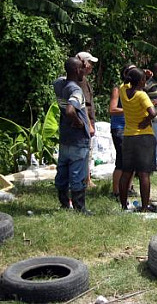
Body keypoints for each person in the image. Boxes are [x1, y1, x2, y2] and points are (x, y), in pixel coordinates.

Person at [53, 57, 92, 214]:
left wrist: (77, 63)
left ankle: (64, 202)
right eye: (82, 69)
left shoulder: (59, 84)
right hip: (77, 138)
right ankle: (79, 207)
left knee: (62, 170)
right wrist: (79, 122)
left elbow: (64, 76)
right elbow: (70, 110)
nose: (85, 71)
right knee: (77, 172)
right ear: (77, 71)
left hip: (65, 137)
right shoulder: (76, 90)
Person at [119, 67, 157, 212]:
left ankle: (123, 205)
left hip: (128, 136)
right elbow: (152, 113)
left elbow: (125, 80)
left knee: (126, 172)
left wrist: (137, 74)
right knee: (144, 173)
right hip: (144, 136)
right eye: (144, 79)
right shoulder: (142, 95)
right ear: (141, 81)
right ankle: (144, 207)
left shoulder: (123, 90)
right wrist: (147, 120)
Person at [109, 63, 136, 199]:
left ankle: (128, 188)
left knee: (132, 161)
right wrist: (130, 109)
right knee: (121, 161)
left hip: (131, 129)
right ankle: (116, 191)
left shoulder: (136, 90)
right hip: (119, 128)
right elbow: (112, 109)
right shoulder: (118, 89)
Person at [75, 51, 97, 188]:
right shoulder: (77, 81)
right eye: (90, 63)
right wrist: (89, 124)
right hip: (84, 121)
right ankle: (83, 180)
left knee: (87, 151)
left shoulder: (84, 80)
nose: (91, 66)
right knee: (82, 151)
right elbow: (82, 106)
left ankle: (87, 178)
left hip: (88, 120)